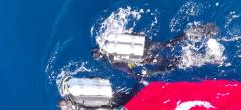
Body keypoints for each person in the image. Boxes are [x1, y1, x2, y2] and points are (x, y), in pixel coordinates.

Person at [93, 23, 223, 77]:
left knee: (172, 64)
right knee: (169, 44)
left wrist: (141, 75)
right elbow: (134, 34)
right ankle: (198, 31)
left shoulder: (113, 62)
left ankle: (210, 59)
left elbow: (128, 70)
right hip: (147, 44)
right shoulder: (113, 39)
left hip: (146, 58)